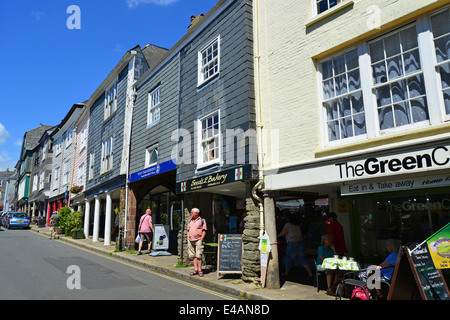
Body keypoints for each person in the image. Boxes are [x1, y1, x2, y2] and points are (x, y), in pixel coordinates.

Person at [278, 214, 313, 278]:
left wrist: (278, 236)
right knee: (302, 258)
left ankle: (286, 273)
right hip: (300, 243)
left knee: (289, 258)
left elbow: (282, 233)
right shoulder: (297, 226)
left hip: (292, 243)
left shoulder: (288, 225)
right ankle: (310, 273)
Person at [187, 208, 207, 277]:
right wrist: (188, 238)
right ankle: (195, 269)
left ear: (196, 213)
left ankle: (200, 270)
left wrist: (201, 239)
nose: (191, 213)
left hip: (198, 240)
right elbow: (188, 230)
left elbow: (204, 230)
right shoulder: (190, 220)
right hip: (190, 240)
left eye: (192, 212)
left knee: (199, 255)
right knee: (193, 256)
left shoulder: (202, 220)